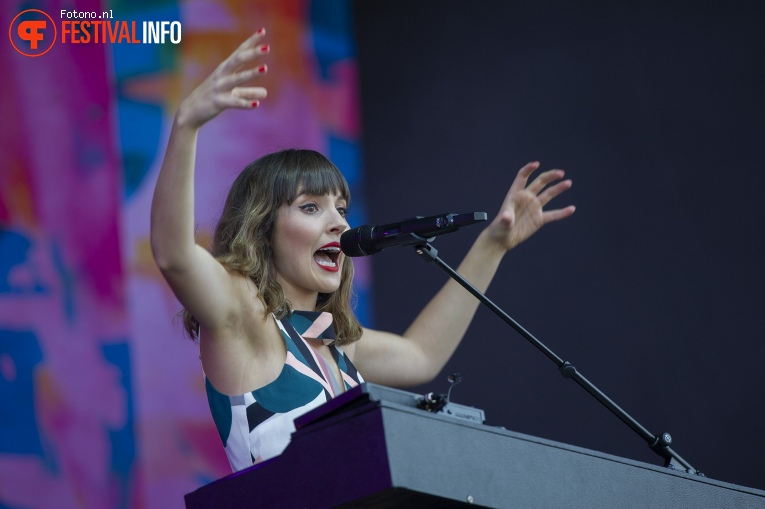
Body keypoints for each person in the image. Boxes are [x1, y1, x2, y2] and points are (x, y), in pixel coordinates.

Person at [150, 28, 575, 472]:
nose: (338, 222)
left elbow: (420, 356)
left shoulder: (334, 344)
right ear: (262, 228)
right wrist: (187, 125)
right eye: (311, 207)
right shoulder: (244, 316)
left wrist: (494, 245)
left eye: (341, 208)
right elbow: (174, 255)